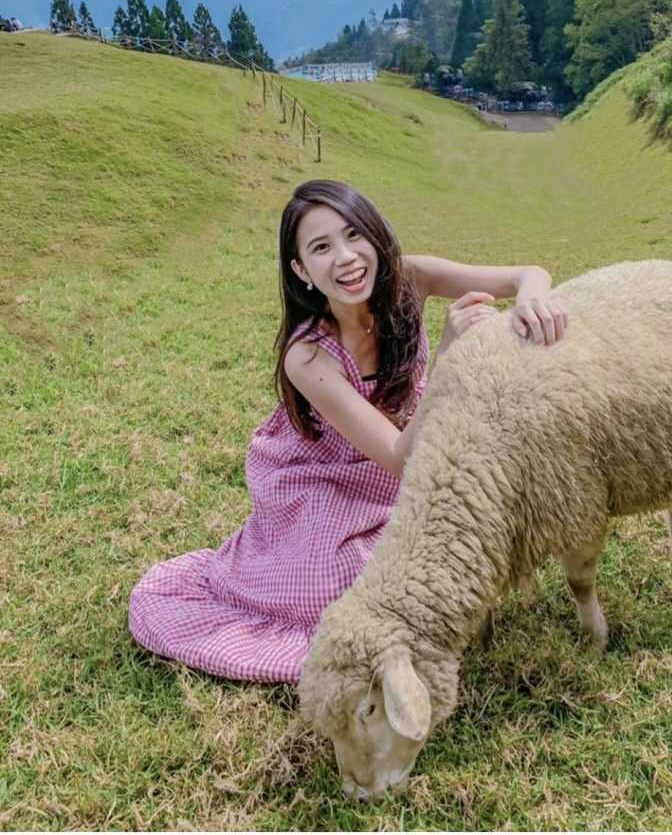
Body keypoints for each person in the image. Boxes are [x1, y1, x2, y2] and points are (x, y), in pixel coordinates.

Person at [129, 179, 568, 683]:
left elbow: (528, 273)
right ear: (301, 270)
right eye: (320, 247)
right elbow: (402, 459)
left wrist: (533, 298)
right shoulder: (307, 355)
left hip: (406, 447)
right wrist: (448, 352)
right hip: (326, 473)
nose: (346, 258)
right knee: (345, 583)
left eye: (353, 235)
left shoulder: (411, 278)